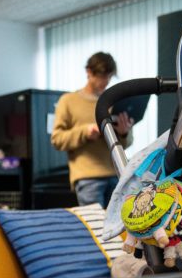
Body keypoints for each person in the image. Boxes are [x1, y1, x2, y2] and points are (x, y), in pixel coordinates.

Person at [50, 51, 133, 207]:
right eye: (102, 76)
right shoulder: (68, 101)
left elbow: (127, 143)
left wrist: (124, 133)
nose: (106, 81)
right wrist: (86, 132)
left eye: (109, 77)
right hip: (88, 178)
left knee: (121, 227)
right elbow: (57, 139)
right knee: (96, 228)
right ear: (89, 72)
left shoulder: (112, 101)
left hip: (117, 175)